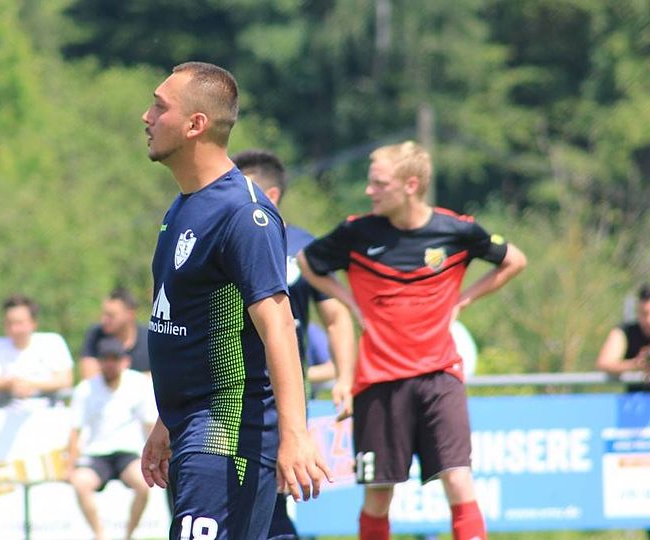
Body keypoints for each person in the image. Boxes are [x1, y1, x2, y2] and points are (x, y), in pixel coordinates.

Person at [140, 61, 332, 540]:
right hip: (191, 427)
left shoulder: (243, 214)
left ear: (195, 124)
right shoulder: (184, 205)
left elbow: (278, 326)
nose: (147, 116)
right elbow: (189, 324)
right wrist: (166, 419)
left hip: (228, 433)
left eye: (160, 107)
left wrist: (295, 434)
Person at [298, 141, 527, 540]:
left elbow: (515, 261)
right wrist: (350, 301)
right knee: (378, 494)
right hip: (378, 383)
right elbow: (308, 262)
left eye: (379, 183)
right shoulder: (357, 232)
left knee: (458, 479)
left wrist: (464, 299)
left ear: (411, 185)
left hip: (440, 377)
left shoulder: (456, 230)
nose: (369, 191)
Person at [233, 148, 356, 540]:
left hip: (280, 393)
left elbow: (336, 316)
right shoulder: (225, 237)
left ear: (270, 195)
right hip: (225, 390)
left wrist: (345, 377)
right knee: (228, 498)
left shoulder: (304, 248)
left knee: (273, 496)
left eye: (242, 187)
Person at [67, 337, 157, 540]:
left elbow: (149, 425)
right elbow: (75, 430)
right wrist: (69, 466)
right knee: (80, 483)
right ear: (99, 362)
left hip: (128, 452)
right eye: (105, 359)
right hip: (97, 453)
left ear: (124, 361)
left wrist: (155, 456)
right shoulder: (85, 389)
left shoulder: (138, 384)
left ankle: (128, 535)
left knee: (143, 485)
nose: (109, 364)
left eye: (114, 359)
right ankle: (100, 535)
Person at [0, 295, 74, 409]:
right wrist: (10, 384)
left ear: (34, 323)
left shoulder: (52, 342)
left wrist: (31, 385)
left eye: (19, 323)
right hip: (9, 413)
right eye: (9, 323)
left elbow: (65, 380)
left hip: (50, 413)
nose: (14, 329)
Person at [79, 287, 150, 379]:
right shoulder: (95, 335)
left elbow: (159, 376)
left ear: (130, 315)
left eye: (111, 315)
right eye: (104, 314)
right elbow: (89, 376)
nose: (104, 319)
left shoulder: (149, 339)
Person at [597, 283, 650, 392]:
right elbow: (604, 363)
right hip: (636, 399)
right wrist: (636, 364)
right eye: (644, 313)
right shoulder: (626, 331)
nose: (648, 320)